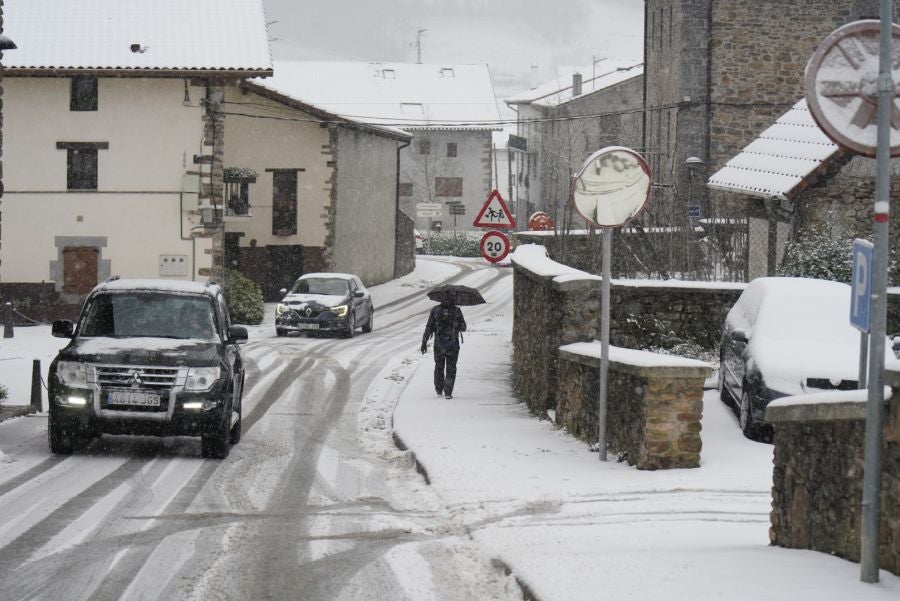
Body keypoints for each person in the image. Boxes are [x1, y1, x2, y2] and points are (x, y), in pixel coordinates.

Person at [421, 300, 467, 399]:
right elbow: (464, 327)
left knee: (439, 367)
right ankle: (448, 392)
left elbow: (429, 326)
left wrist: (424, 341)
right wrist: (456, 324)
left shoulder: (435, 310)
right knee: (451, 368)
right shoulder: (456, 311)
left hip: (439, 345)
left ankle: (439, 389)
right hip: (453, 345)